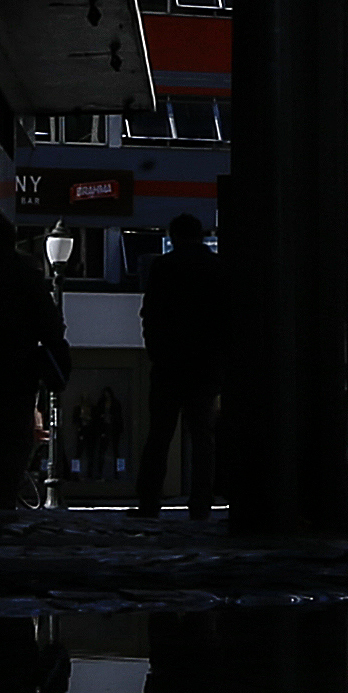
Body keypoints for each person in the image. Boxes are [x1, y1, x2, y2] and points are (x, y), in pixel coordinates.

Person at [133, 216, 227, 517]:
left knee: (159, 436)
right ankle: (201, 504)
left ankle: (149, 503)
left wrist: (157, 352)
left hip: (169, 364)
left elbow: (150, 314)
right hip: (205, 364)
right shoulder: (217, 267)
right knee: (203, 438)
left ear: (173, 236)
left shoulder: (163, 267)